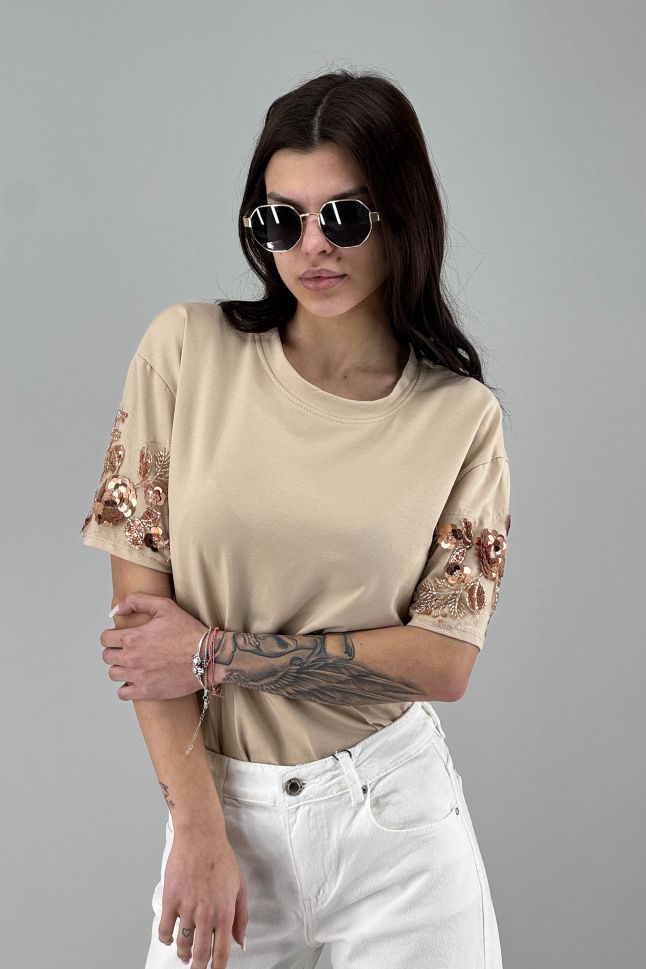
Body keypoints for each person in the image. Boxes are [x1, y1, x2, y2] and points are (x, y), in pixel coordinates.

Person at [80, 68, 511, 969]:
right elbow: (145, 634)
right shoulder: (183, 352)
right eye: (281, 219)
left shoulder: (461, 418)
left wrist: (215, 652)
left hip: (397, 822)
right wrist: (197, 828)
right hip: (223, 810)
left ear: (402, 216)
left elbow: (443, 661)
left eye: (344, 217)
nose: (311, 245)